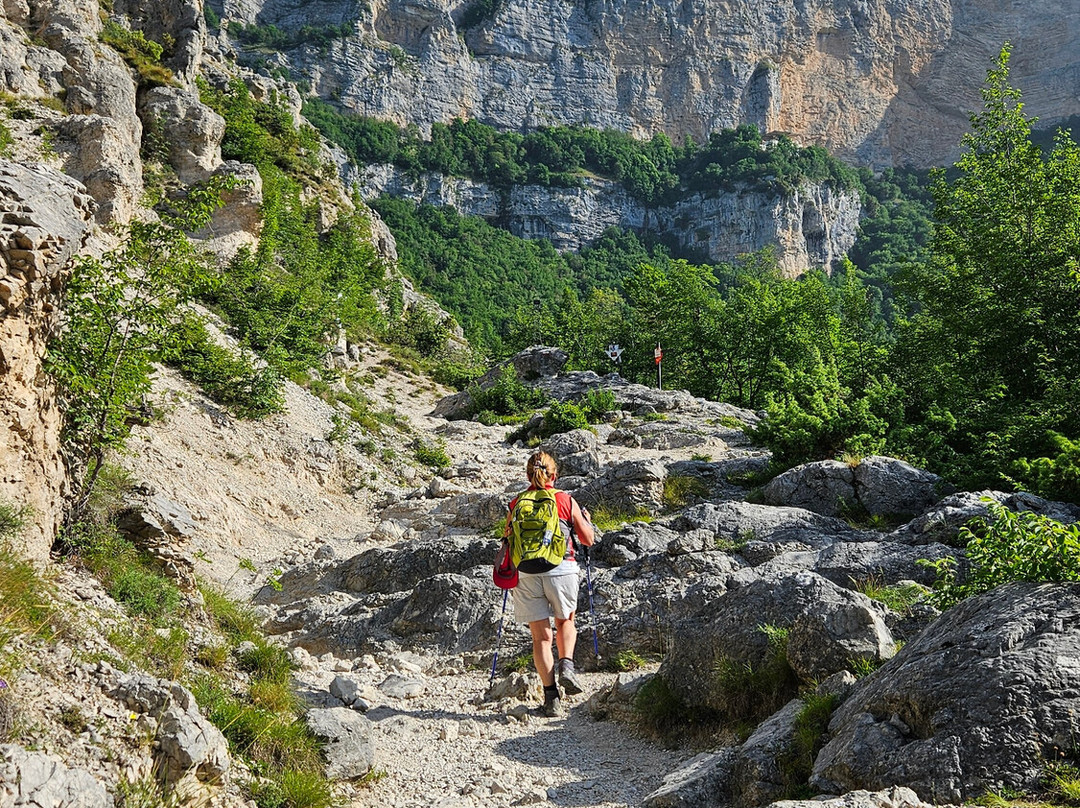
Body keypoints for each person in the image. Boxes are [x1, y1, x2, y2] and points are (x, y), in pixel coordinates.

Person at [504, 450, 595, 717]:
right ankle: (567, 665)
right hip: (561, 566)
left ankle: (551, 697)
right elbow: (587, 539)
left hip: (526, 572)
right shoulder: (565, 499)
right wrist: (587, 522)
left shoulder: (516, 503)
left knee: (540, 638)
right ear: (555, 475)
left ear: (527, 475)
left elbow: (508, 538)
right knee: (565, 621)